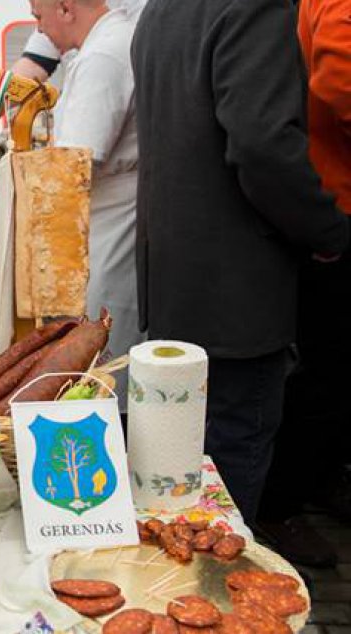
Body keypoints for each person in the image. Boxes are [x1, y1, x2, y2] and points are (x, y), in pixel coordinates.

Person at [132, 0, 350, 525]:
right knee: (227, 473)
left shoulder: (160, 9)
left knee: (179, 472)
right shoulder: (254, 5)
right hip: (233, 294)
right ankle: (219, 595)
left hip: (173, 281)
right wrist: (327, 229)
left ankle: (190, 593)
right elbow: (263, 145)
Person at [256, 0, 351, 568]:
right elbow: (339, 82)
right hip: (333, 205)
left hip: (324, 197)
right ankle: (281, 501)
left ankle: (314, 480)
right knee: (329, 368)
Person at [29, 0, 145, 403]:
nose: (39, 32)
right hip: (110, 220)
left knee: (102, 367)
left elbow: (72, 165)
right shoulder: (108, 45)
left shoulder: (102, 57)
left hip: (108, 228)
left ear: (64, 7)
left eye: (38, 18)